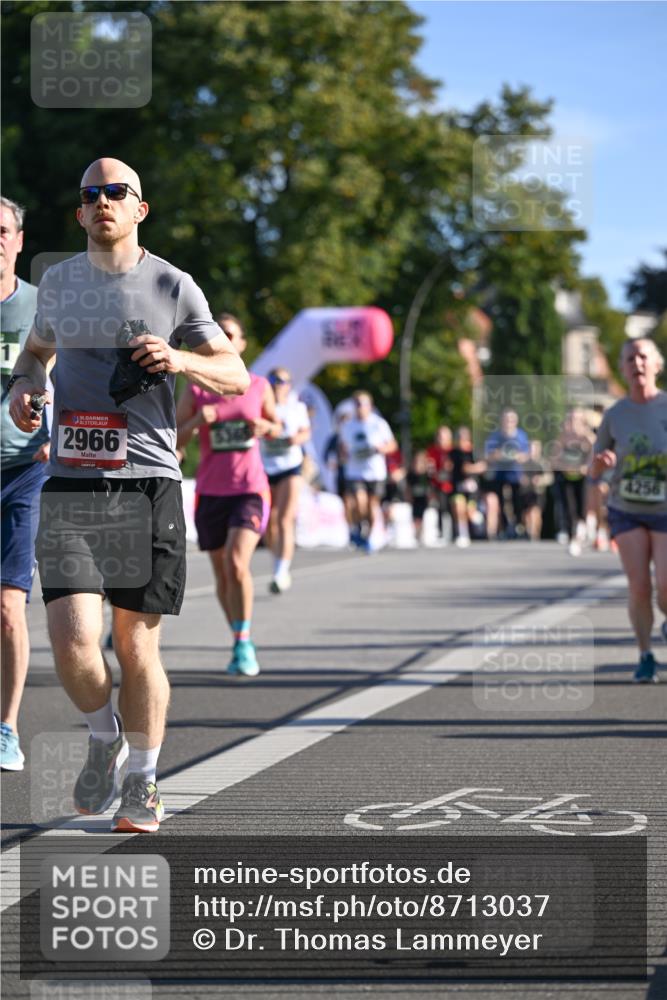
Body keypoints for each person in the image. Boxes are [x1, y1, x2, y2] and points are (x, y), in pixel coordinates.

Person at [7, 158, 249, 831]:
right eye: (92, 194)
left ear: (140, 209)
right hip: (71, 483)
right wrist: (26, 388)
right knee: (72, 640)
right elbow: (35, 355)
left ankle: (142, 781)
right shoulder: (60, 284)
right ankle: (102, 734)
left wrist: (180, 359)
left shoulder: (173, 285)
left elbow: (234, 372)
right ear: (80, 213)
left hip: (146, 484)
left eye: (117, 192)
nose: (103, 201)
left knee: (135, 644)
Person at [176, 313, 280, 674]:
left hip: (249, 488)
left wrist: (265, 426)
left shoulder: (258, 385)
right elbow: (175, 438)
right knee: (222, 573)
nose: (225, 337)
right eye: (218, 332)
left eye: (231, 333)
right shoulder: (196, 388)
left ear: (242, 343)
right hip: (211, 491)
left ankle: (244, 641)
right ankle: (237, 636)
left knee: (237, 563)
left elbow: (276, 425)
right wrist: (195, 422)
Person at [1, 196, 51, 771]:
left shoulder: (42, 306)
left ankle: (7, 727)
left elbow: (73, 375)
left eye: (2, 230)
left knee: (8, 605)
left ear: (17, 240)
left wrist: (56, 435)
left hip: (24, 470)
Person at [590, 338, 667, 683]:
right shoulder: (615, 415)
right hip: (627, 508)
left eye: (643, 357)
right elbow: (592, 470)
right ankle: (645, 654)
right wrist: (601, 464)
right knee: (639, 586)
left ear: (657, 365)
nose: (637, 363)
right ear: (622, 368)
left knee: (666, 584)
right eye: (630, 358)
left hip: (665, 508)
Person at [261, 367, 311, 593]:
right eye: (273, 380)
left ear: (289, 385)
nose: (277, 384)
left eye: (282, 381)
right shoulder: (261, 405)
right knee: (269, 523)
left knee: (284, 519)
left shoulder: (296, 407)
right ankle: (277, 561)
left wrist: (295, 439)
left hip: (290, 466)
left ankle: (281, 572)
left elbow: (306, 432)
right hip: (265, 468)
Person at [339, 390, 397, 551]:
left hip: (375, 472)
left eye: (363, 404)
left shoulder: (378, 424)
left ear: (370, 406)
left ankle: (368, 537)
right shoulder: (348, 425)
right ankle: (357, 526)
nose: (360, 407)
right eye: (357, 404)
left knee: (372, 505)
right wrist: (345, 454)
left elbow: (392, 445)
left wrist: (379, 449)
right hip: (355, 471)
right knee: (359, 502)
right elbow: (343, 448)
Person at [553, 407, 594, 555]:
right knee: (568, 505)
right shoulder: (562, 437)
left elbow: (596, 451)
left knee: (582, 505)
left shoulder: (587, 436)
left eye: (576, 419)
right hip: (566, 476)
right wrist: (564, 466)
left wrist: (586, 466)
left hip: (582, 477)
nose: (572, 422)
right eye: (570, 419)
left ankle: (583, 530)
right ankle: (572, 534)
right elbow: (554, 458)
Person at [484, 408, 530, 537]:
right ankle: (502, 528)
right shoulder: (495, 436)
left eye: (511, 419)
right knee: (500, 502)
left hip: (515, 473)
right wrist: (497, 455)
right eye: (506, 419)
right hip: (499, 473)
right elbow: (488, 455)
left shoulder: (521, 435)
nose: (509, 422)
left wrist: (518, 456)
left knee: (518, 501)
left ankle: (519, 527)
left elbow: (526, 455)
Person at [426, 425, 455, 544]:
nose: (442, 439)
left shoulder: (454, 451)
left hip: (452, 485)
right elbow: (430, 469)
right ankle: (440, 532)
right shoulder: (432, 451)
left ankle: (453, 532)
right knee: (438, 506)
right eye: (440, 436)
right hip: (437, 485)